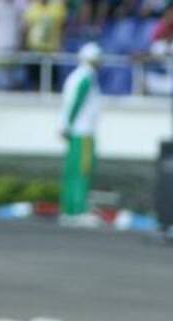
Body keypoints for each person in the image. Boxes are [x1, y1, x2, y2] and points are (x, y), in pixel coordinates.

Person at [59, 43, 102, 226]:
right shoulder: (86, 77)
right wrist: (68, 125)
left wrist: (65, 126)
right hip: (83, 132)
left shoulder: (75, 76)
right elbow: (76, 103)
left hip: (75, 131)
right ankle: (79, 210)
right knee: (82, 172)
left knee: (71, 171)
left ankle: (69, 209)